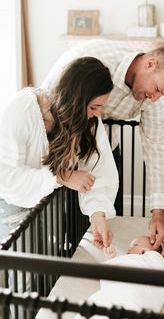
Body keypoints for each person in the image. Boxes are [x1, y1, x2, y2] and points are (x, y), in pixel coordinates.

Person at [41, 39, 164, 259]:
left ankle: (112, 261)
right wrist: (59, 169)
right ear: (150, 64)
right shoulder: (95, 58)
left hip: (105, 150)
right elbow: (49, 100)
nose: (155, 98)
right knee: (69, 222)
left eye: (162, 95)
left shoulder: (153, 100)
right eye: (157, 89)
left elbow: (156, 147)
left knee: (107, 218)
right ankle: (68, 260)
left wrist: (158, 213)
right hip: (66, 145)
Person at [0, 57, 119, 248]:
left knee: (48, 265)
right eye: (93, 107)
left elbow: (98, 171)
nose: (97, 114)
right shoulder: (21, 110)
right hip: (11, 203)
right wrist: (60, 177)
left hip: (47, 205)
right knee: (22, 270)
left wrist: (98, 214)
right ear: (76, 100)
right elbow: (5, 177)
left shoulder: (88, 122)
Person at [75, 235, 164, 318]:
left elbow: (158, 265)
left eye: (135, 245)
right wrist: (111, 259)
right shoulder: (129, 261)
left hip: (134, 295)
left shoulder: (151, 260)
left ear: (144, 251)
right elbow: (111, 275)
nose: (128, 250)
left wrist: (154, 254)